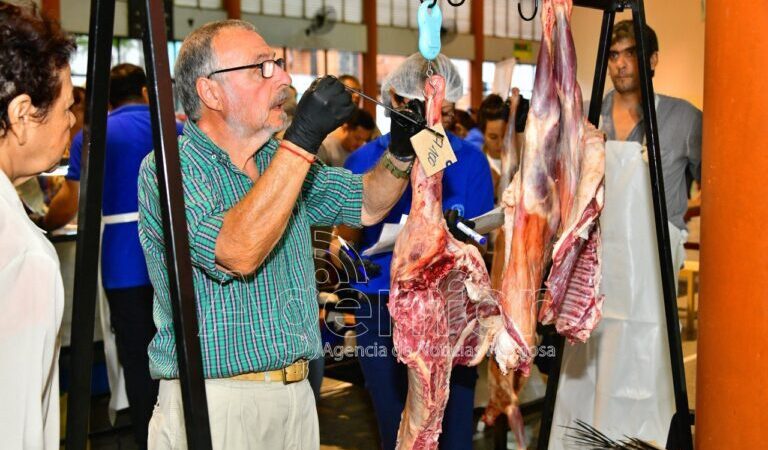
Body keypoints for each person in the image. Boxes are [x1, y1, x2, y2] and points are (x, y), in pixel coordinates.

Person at [137, 19, 416, 449]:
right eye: (260, 68)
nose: (283, 78)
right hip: (217, 402)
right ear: (210, 91)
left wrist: (399, 153)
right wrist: (302, 139)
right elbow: (237, 251)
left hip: (297, 396)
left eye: (279, 64)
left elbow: (366, 203)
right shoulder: (172, 169)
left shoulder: (277, 159)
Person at [337, 53, 495, 450]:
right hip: (381, 305)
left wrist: (462, 236)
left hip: (448, 307)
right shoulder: (364, 159)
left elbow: (482, 239)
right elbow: (344, 237)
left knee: (454, 423)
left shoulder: (469, 160)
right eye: (409, 104)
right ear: (392, 99)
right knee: (398, 426)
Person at [0, 2, 75, 448]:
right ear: (23, 114)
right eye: (67, 107)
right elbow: (14, 422)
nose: (71, 122)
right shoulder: (22, 254)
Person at [600, 20, 702, 267]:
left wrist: (678, 214)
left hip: (657, 260)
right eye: (613, 55)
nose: (620, 64)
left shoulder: (684, 118)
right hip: (598, 262)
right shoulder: (589, 117)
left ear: (653, 59)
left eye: (631, 54)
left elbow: (716, 188)